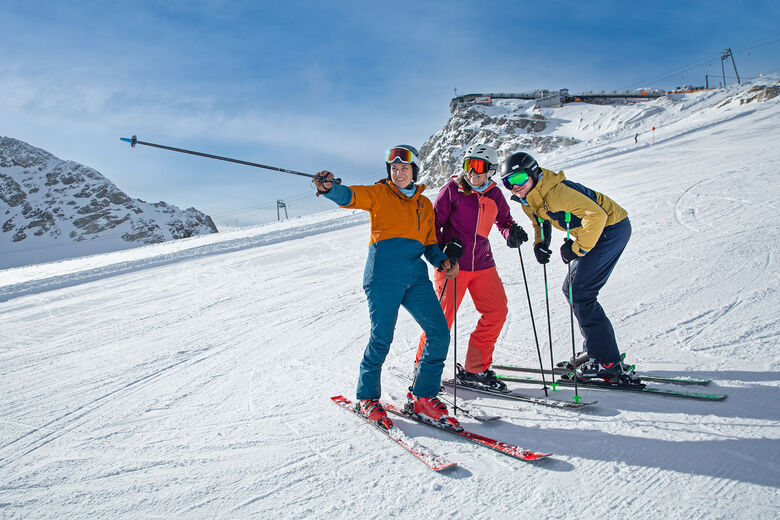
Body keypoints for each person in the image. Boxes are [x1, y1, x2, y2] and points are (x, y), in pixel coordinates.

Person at [313, 145, 461, 430]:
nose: (398, 172)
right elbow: (350, 196)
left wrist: (441, 261)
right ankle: (367, 397)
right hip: (382, 276)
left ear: (414, 171)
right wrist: (329, 188)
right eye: (394, 168)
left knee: (439, 332)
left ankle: (423, 397)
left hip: (415, 276)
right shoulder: (379, 194)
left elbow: (429, 243)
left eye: (404, 168)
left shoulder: (423, 204)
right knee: (382, 338)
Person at [499, 152, 636, 384]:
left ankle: (607, 362)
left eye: (520, 178)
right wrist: (540, 243)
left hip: (611, 228)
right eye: (508, 182)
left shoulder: (555, 193)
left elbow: (597, 215)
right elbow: (539, 222)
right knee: (573, 289)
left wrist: (577, 249)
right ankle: (596, 349)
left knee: (581, 291)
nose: (515, 186)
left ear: (533, 173)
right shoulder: (529, 199)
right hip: (595, 232)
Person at [414, 144, 528, 391]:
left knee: (496, 311)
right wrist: (443, 249)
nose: (473, 172)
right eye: (468, 166)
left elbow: (504, 221)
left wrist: (511, 233)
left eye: (479, 167)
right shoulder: (452, 191)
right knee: (440, 321)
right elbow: (432, 224)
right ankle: (423, 369)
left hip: (483, 264)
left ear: (491, 170)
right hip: (453, 265)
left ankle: (475, 369)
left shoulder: (495, 194)